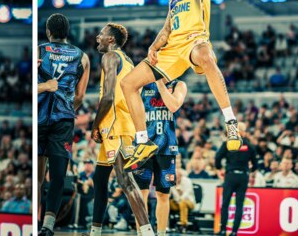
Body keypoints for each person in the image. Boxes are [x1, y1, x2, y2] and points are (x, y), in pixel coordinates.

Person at [120, 0, 242, 172]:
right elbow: (167, 25)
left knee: (206, 57)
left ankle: (231, 122)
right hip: (171, 49)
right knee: (128, 84)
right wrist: (154, 44)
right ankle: (143, 140)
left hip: (195, 42)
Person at [84, 23, 154, 236]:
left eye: (102, 34)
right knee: (99, 178)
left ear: (111, 40)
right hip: (121, 123)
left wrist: (95, 125)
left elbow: (108, 97)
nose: (98, 37)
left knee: (125, 179)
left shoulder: (110, 57)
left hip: (115, 124)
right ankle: (95, 230)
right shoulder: (128, 61)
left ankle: (146, 230)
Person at [37, 13, 90, 236]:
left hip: (39, 117)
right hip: (63, 120)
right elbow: (80, 96)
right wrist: (66, 109)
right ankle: (47, 227)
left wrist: (44, 87)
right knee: (58, 175)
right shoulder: (82, 57)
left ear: (48, 32)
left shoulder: (39, 50)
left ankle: (34, 221)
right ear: (68, 33)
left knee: (38, 177)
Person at [136, 77, 188, 236]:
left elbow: (173, 106)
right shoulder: (142, 85)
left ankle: (161, 232)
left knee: (163, 194)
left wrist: (160, 83)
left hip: (167, 147)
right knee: (140, 193)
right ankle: (142, 232)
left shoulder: (178, 85)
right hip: (144, 145)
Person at [215, 123, 258, 236]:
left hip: (230, 176)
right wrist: (250, 170)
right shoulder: (249, 146)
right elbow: (255, 164)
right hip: (243, 176)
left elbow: (217, 157)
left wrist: (219, 168)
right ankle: (234, 232)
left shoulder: (228, 144)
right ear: (243, 132)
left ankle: (223, 230)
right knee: (239, 205)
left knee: (225, 204)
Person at [169, 169, 195, 233]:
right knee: (167, 203)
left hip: (189, 202)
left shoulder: (187, 181)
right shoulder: (172, 182)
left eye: (177, 177)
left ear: (180, 175)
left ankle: (183, 225)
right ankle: (168, 225)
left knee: (182, 202)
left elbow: (186, 195)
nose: (176, 179)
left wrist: (178, 188)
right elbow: (169, 195)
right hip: (177, 202)